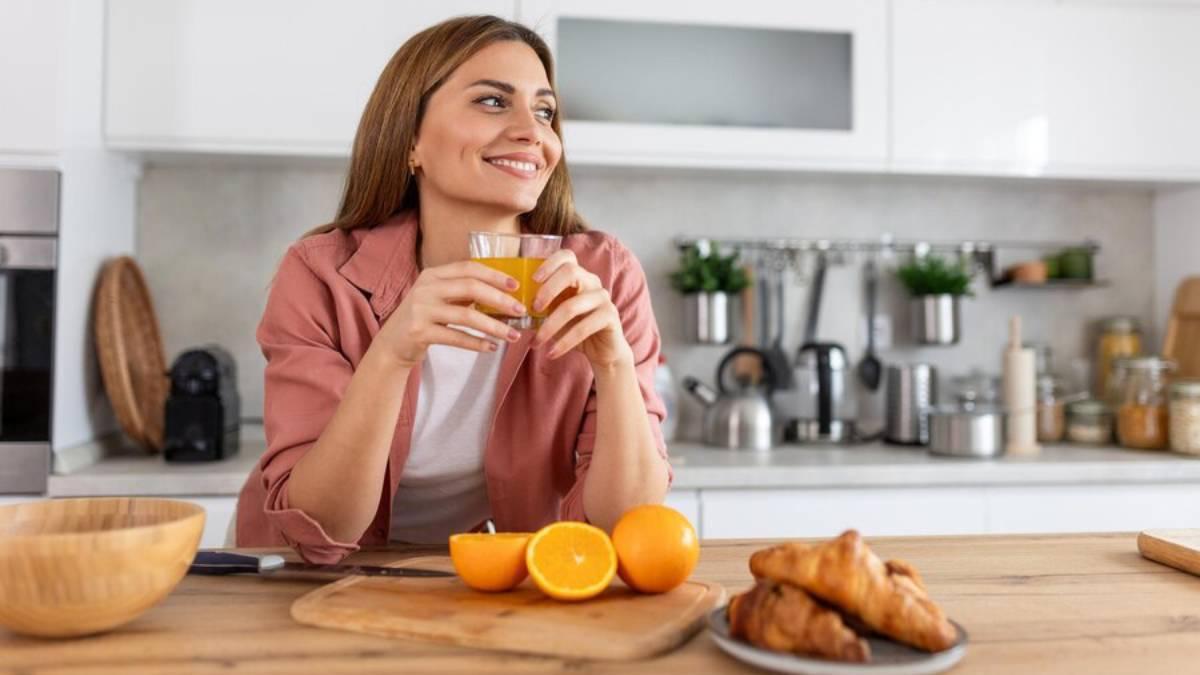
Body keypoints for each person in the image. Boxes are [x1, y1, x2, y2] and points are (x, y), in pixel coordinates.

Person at [235, 15, 671, 564]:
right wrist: (391, 354)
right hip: (300, 574)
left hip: (472, 577)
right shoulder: (321, 275)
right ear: (410, 139)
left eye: (544, 111)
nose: (533, 132)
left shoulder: (602, 276)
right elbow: (323, 527)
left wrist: (613, 367)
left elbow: (625, 524)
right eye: (492, 101)